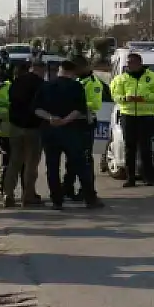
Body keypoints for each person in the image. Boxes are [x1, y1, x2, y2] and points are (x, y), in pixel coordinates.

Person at [34, 60, 104, 210]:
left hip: (50, 131)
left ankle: (57, 201)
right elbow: (79, 109)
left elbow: (36, 109)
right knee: (80, 165)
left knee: (52, 166)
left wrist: (51, 118)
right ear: (72, 72)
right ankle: (90, 198)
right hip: (71, 130)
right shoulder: (76, 86)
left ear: (60, 70)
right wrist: (65, 120)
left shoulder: (46, 86)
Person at [109, 52, 154, 187]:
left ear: (139, 63)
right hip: (128, 116)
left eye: (131, 62)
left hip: (146, 116)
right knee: (129, 148)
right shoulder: (120, 79)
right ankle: (130, 178)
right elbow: (114, 94)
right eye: (128, 62)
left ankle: (147, 177)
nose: (129, 65)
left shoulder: (152, 77)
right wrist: (124, 98)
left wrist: (144, 98)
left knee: (145, 148)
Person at [2, 59, 46, 208]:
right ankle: (28, 196)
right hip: (33, 128)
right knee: (31, 164)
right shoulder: (41, 85)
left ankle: (8, 194)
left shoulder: (16, 82)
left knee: (14, 162)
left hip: (15, 127)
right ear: (41, 70)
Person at [62, 57, 104, 202]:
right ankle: (67, 187)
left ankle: (86, 189)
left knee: (85, 158)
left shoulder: (93, 83)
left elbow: (95, 104)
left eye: (77, 67)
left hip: (85, 123)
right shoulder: (75, 80)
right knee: (71, 158)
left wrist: (76, 104)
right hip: (71, 122)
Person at [0, 61, 18, 200]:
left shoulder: (26, 88)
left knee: (24, 163)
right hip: (6, 132)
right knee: (7, 162)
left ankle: (27, 192)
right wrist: (11, 113)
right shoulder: (1, 89)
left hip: (21, 130)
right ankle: (3, 188)